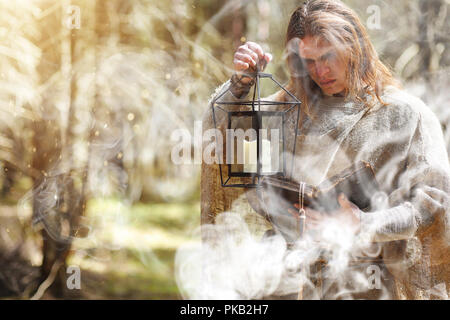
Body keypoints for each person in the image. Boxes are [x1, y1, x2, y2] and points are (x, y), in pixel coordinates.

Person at [201, 0, 450, 299]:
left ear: (355, 48)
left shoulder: (407, 115)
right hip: (290, 282)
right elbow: (220, 132)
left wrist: (363, 222)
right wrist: (241, 84)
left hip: (367, 285)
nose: (320, 70)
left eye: (329, 55)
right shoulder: (288, 109)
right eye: (309, 60)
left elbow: (434, 206)